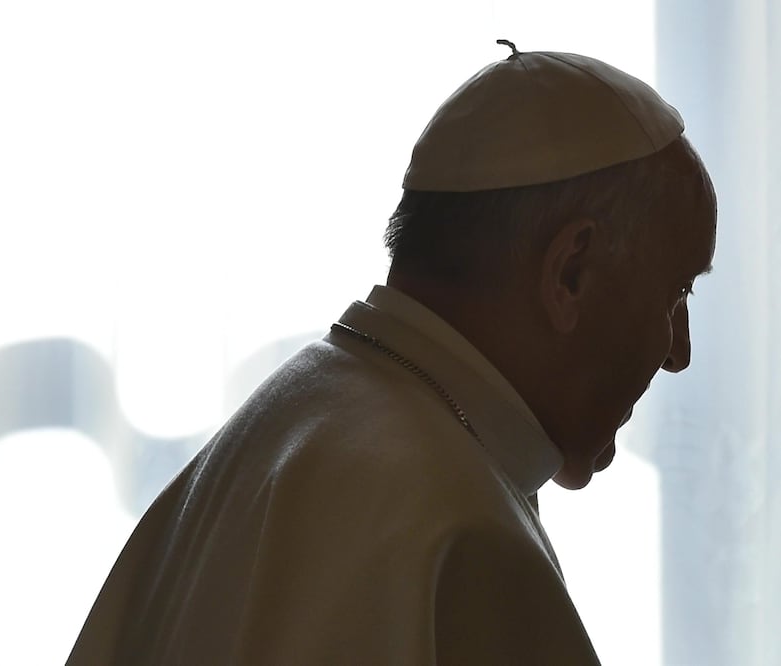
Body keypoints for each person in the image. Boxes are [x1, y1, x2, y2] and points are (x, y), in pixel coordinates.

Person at [67, 42, 717, 665]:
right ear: (570, 273)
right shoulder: (458, 534)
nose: (677, 354)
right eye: (674, 293)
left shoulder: (280, 422)